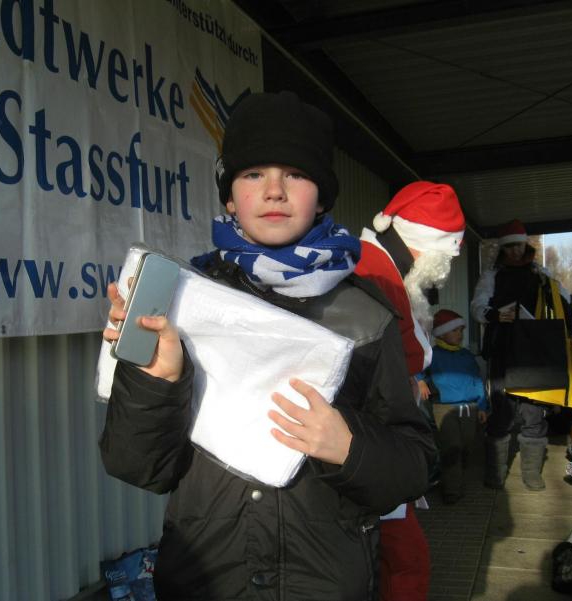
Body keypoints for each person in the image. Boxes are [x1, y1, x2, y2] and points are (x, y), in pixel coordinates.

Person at [99, 91, 435, 600]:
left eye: (296, 175)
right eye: (254, 173)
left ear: (321, 196)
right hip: (205, 584)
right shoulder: (183, 302)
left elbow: (415, 467)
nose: (274, 191)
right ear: (230, 196)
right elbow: (139, 467)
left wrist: (349, 448)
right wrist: (158, 380)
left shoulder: (368, 316)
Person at [354, 180, 465, 601]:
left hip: (375, 432)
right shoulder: (376, 272)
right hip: (372, 435)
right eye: (444, 257)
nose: (445, 268)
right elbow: (406, 353)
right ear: (424, 245)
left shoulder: (380, 264)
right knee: (405, 561)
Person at [471, 218, 572, 491]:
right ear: (503, 249)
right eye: (510, 247)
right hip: (503, 350)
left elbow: (564, 302)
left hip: (533, 352)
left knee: (533, 413)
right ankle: (495, 474)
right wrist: (495, 315)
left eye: (519, 245)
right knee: (501, 413)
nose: (516, 251)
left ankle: (531, 474)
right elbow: (478, 306)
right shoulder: (491, 276)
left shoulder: (541, 273)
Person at [425, 309, 488, 504]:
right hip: (444, 409)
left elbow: (477, 381)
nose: (460, 334)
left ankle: (454, 479)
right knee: (451, 448)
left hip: (470, 408)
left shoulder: (466, 355)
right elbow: (417, 369)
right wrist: (419, 381)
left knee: (466, 447)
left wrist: (482, 406)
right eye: (455, 330)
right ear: (442, 333)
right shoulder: (431, 355)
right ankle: (452, 491)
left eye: (461, 330)